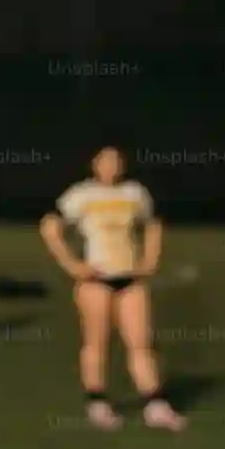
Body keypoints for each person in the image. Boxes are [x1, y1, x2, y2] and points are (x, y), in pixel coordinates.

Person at [40, 146, 184, 432]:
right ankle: (98, 404)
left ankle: (156, 406)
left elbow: (153, 224)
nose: (110, 166)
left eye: (116, 160)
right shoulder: (80, 194)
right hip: (95, 280)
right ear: (94, 164)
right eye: (104, 160)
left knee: (141, 342)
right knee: (97, 342)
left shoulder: (135, 193)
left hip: (130, 279)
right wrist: (72, 264)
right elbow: (49, 226)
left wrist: (150, 259)